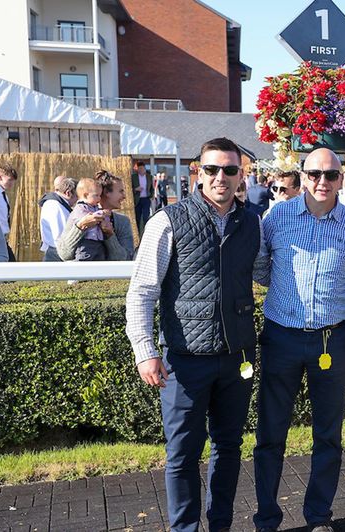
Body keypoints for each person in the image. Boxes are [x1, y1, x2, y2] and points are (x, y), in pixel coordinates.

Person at [125, 137, 265, 532]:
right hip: (184, 361)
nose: (221, 177)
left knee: (229, 447)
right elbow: (142, 290)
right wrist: (144, 350)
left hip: (237, 357)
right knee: (182, 454)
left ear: (241, 175)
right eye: (212, 169)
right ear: (198, 172)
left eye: (230, 169)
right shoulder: (167, 220)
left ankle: (220, 525)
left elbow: (265, 273)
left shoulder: (252, 222)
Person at [252, 148, 345, 532]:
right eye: (315, 174)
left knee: (328, 435)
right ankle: (267, 518)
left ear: (341, 178)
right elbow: (261, 270)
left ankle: (319, 516)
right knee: (270, 434)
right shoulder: (276, 218)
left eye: (331, 175)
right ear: (303, 176)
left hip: (331, 341)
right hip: (281, 337)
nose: (323, 182)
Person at [57, 171, 135, 261]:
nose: (124, 196)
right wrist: (80, 227)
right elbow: (64, 254)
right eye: (121, 191)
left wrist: (109, 235)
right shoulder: (78, 214)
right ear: (106, 192)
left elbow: (125, 258)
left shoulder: (122, 222)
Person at [65, 178, 107, 261]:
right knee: (84, 259)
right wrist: (102, 213)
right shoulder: (80, 207)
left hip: (97, 241)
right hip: (85, 242)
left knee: (100, 260)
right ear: (86, 195)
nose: (99, 198)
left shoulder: (94, 207)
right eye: (96, 195)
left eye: (100, 195)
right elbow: (86, 218)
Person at [39, 176, 77, 261]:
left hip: (54, 250)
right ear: (68, 193)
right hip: (57, 252)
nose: (77, 200)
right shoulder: (56, 206)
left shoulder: (55, 203)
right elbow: (60, 235)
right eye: (77, 196)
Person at [0, 162, 18, 261]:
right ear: (0, 177)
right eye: (9, 180)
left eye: (13, 181)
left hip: (3, 238)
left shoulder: (3, 195)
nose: (12, 184)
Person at [131, 161, 153, 235]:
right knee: (138, 217)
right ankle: (138, 233)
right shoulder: (134, 177)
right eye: (139, 169)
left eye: (142, 168)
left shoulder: (149, 177)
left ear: (145, 168)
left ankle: (146, 232)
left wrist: (152, 195)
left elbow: (152, 188)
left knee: (146, 216)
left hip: (146, 199)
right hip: (138, 199)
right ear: (137, 169)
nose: (141, 170)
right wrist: (136, 189)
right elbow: (129, 188)